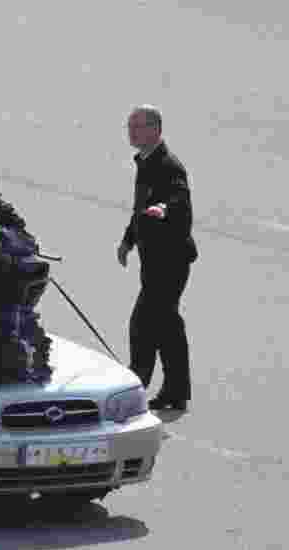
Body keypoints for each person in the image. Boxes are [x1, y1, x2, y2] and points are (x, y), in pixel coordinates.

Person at [117, 105, 198, 412]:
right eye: (129, 126)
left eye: (138, 126)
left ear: (156, 129)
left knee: (144, 324)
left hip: (170, 262)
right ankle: (175, 391)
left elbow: (180, 201)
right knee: (166, 326)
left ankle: (136, 385)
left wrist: (164, 209)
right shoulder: (146, 162)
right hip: (154, 262)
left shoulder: (167, 165)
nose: (132, 132)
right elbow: (141, 208)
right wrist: (128, 240)